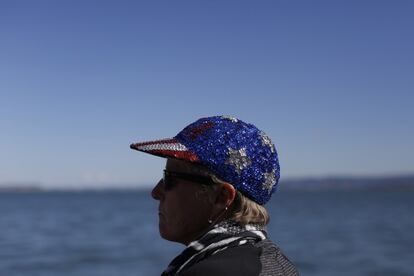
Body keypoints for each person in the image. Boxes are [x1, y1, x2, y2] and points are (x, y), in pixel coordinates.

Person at [130, 115, 299, 276]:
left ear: (221, 197)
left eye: (169, 179)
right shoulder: (278, 263)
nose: (155, 192)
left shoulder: (210, 272)